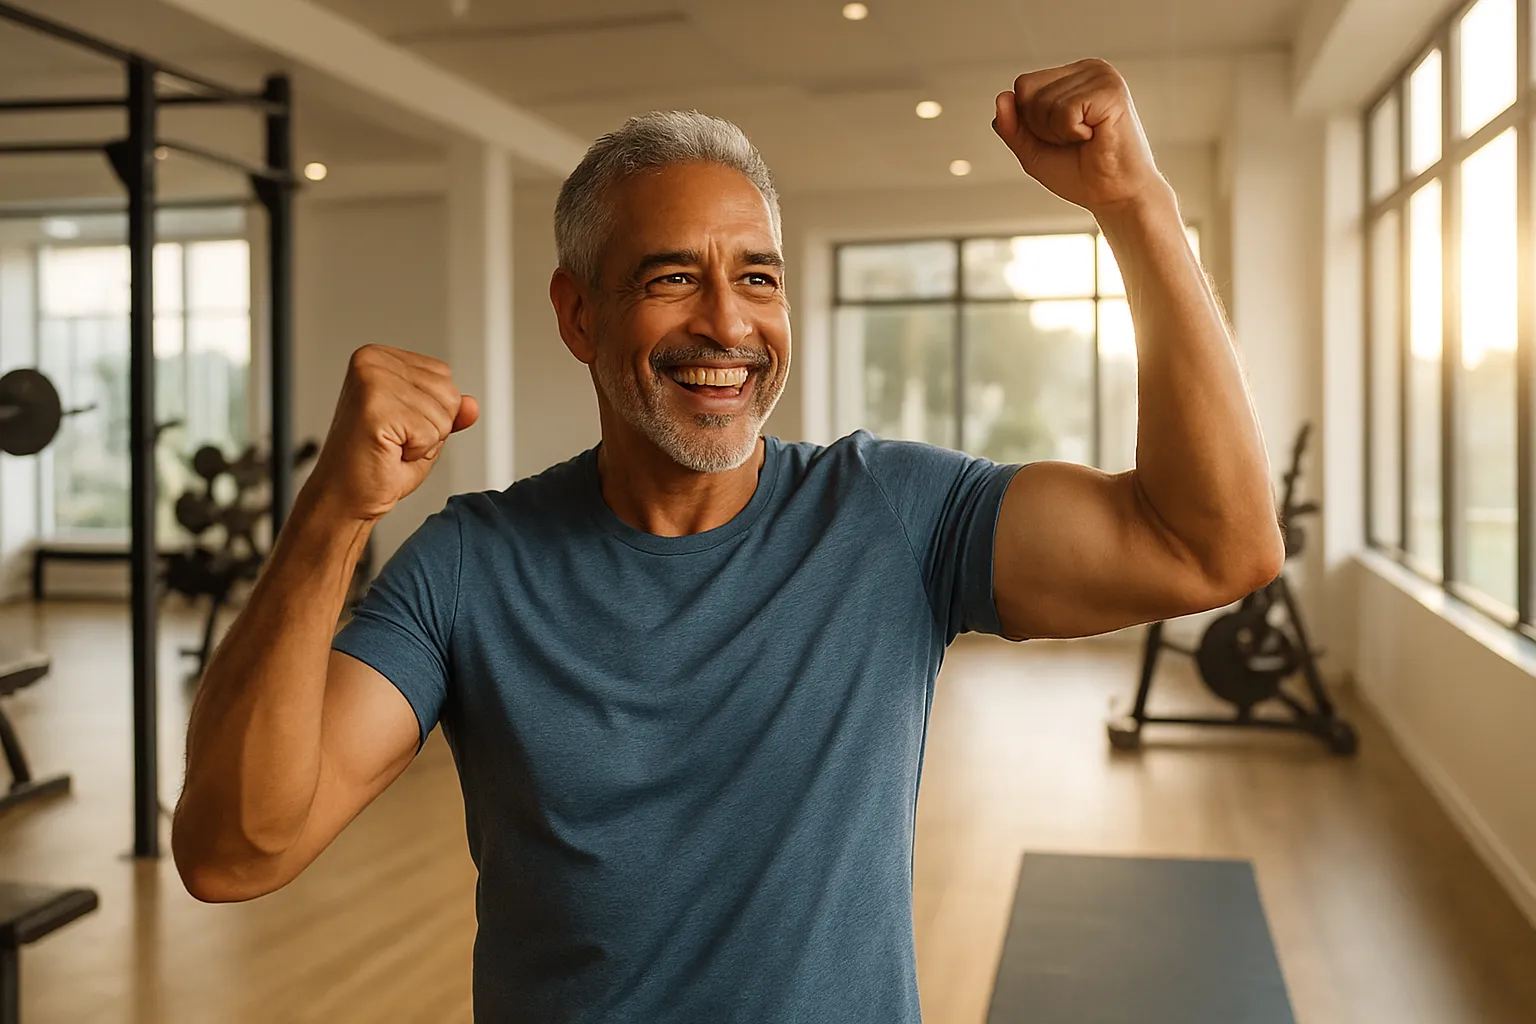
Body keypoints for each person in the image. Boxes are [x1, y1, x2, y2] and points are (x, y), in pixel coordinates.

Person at [172, 59, 1283, 1022]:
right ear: (579, 315)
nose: (727, 323)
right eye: (671, 278)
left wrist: (1135, 202)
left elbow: (1212, 546)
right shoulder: (474, 566)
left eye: (758, 276)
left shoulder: (891, 515)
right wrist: (332, 513)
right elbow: (234, 849)